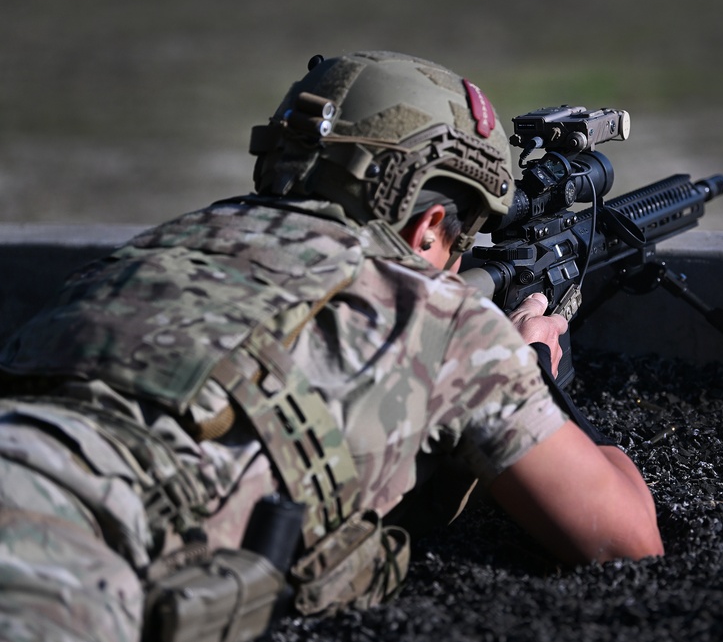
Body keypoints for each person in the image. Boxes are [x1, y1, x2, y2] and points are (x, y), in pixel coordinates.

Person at [0, 50, 663, 642]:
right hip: (58, 561)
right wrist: (533, 371)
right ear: (431, 222)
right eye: (462, 238)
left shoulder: (160, 248)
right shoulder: (441, 316)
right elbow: (626, 541)